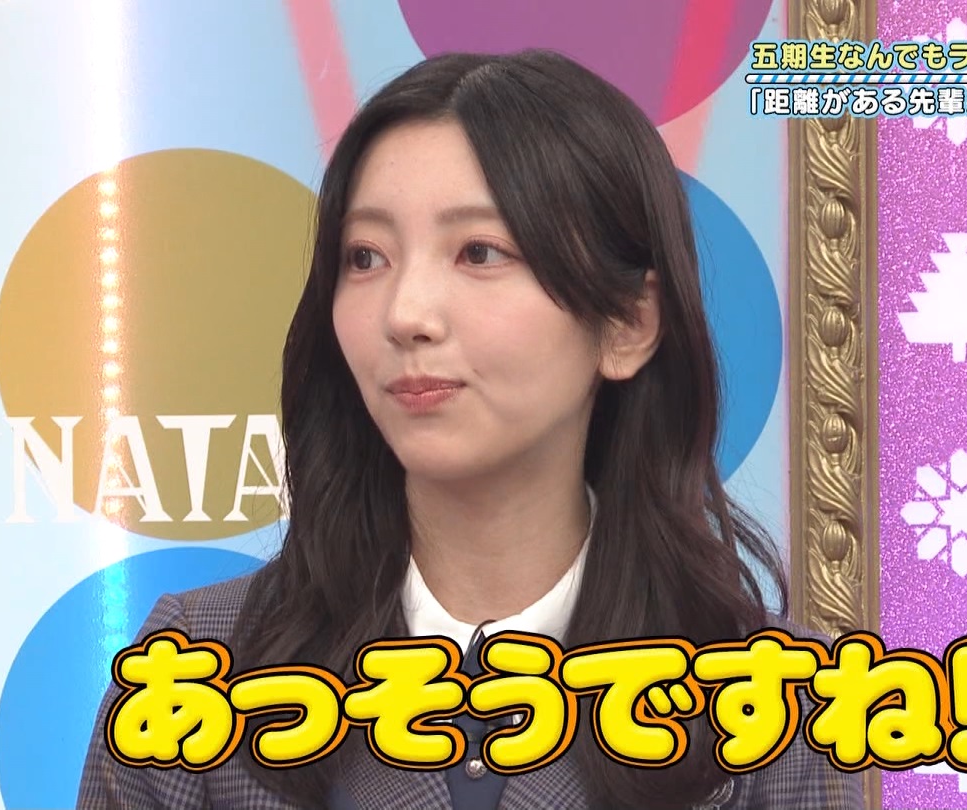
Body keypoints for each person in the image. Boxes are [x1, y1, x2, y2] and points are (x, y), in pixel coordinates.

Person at [78, 49, 863, 809]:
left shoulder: (777, 699)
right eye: (366, 257)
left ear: (627, 323)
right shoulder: (199, 669)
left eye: (479, 252)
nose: (405, 314)